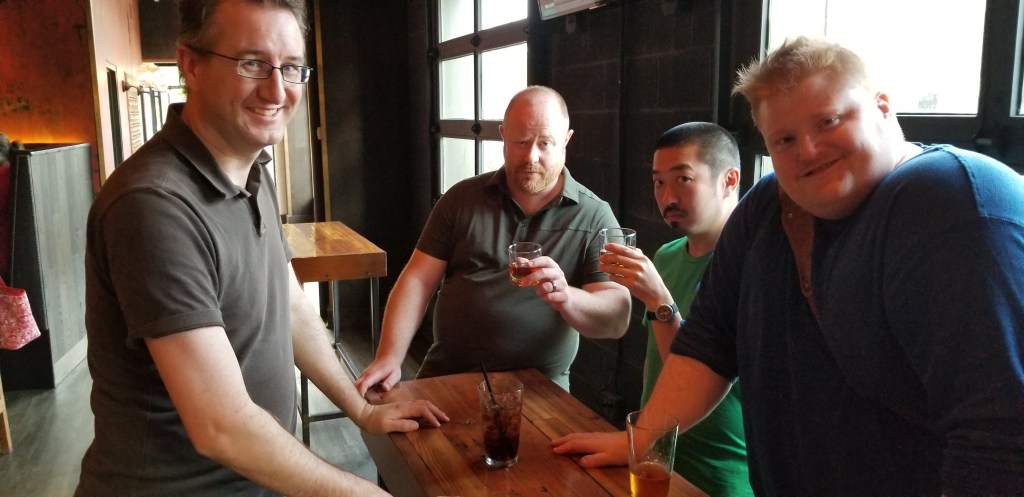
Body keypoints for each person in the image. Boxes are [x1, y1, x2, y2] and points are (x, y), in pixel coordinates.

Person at [554, 36, 1024, 496]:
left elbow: (999, 439)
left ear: (883, 106)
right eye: (785, 139)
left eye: (828, 121)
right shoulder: (768, 206)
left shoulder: (955, 205)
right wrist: (641, 438)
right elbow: (710, 343)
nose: (808, 150)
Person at [76, 1, 446, 496]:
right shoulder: (154, 204)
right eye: (252, 63)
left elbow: (289, 305)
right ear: (190, 63)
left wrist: (361, 409)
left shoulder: (252, 168)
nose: (277, 91)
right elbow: (222, 426)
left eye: (291, 67)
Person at [355, 85, 631, 394]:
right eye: (521, 142)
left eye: (545, 143)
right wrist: (390, 356)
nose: (532, 156)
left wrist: (567, 297)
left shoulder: (594, 216)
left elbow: (617, 319)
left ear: (566, 140)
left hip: (540, 391)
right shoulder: (461, 199)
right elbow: (418, 279)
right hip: (447, 376)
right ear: (502, 135)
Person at [556, 122, 752, 496]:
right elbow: (658, 364)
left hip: (719, 474)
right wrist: (640, 436)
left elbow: (704, 372)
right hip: (655, 457)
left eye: (683, 179)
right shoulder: (666, 255)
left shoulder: (751, 267)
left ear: (729, 181)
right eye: (659, 182)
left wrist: (659, 299)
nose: (667, 196)